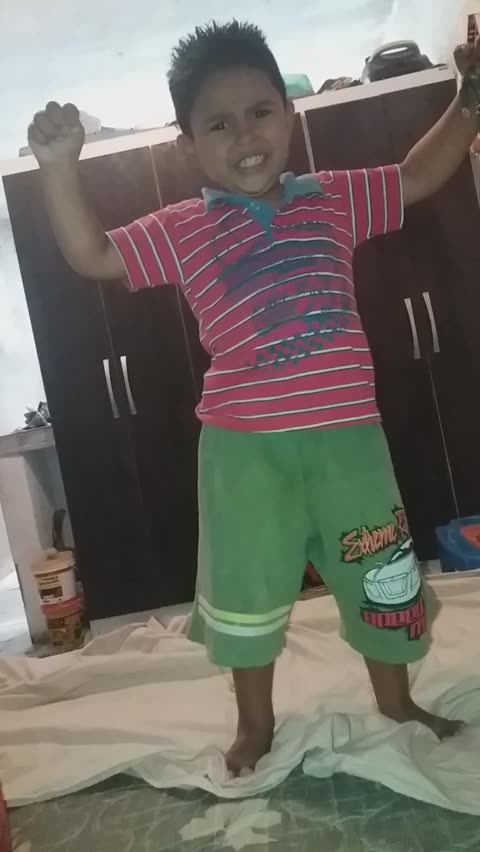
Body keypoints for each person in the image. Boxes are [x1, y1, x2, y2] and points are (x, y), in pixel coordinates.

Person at [28, 22, 479, 777]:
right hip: (244, 455)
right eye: (218, 123)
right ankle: (255, 725)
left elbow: (415, 175)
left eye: (260, 112)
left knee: (381, 575)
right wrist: (57, 170)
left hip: (350, 443)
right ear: (187, 146)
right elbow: (93, 254)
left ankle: (397, 701)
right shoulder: (184, 228)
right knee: (248, 589)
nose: (245, 135)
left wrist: (469, 102)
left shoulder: (332, 198)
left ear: (289, 116)